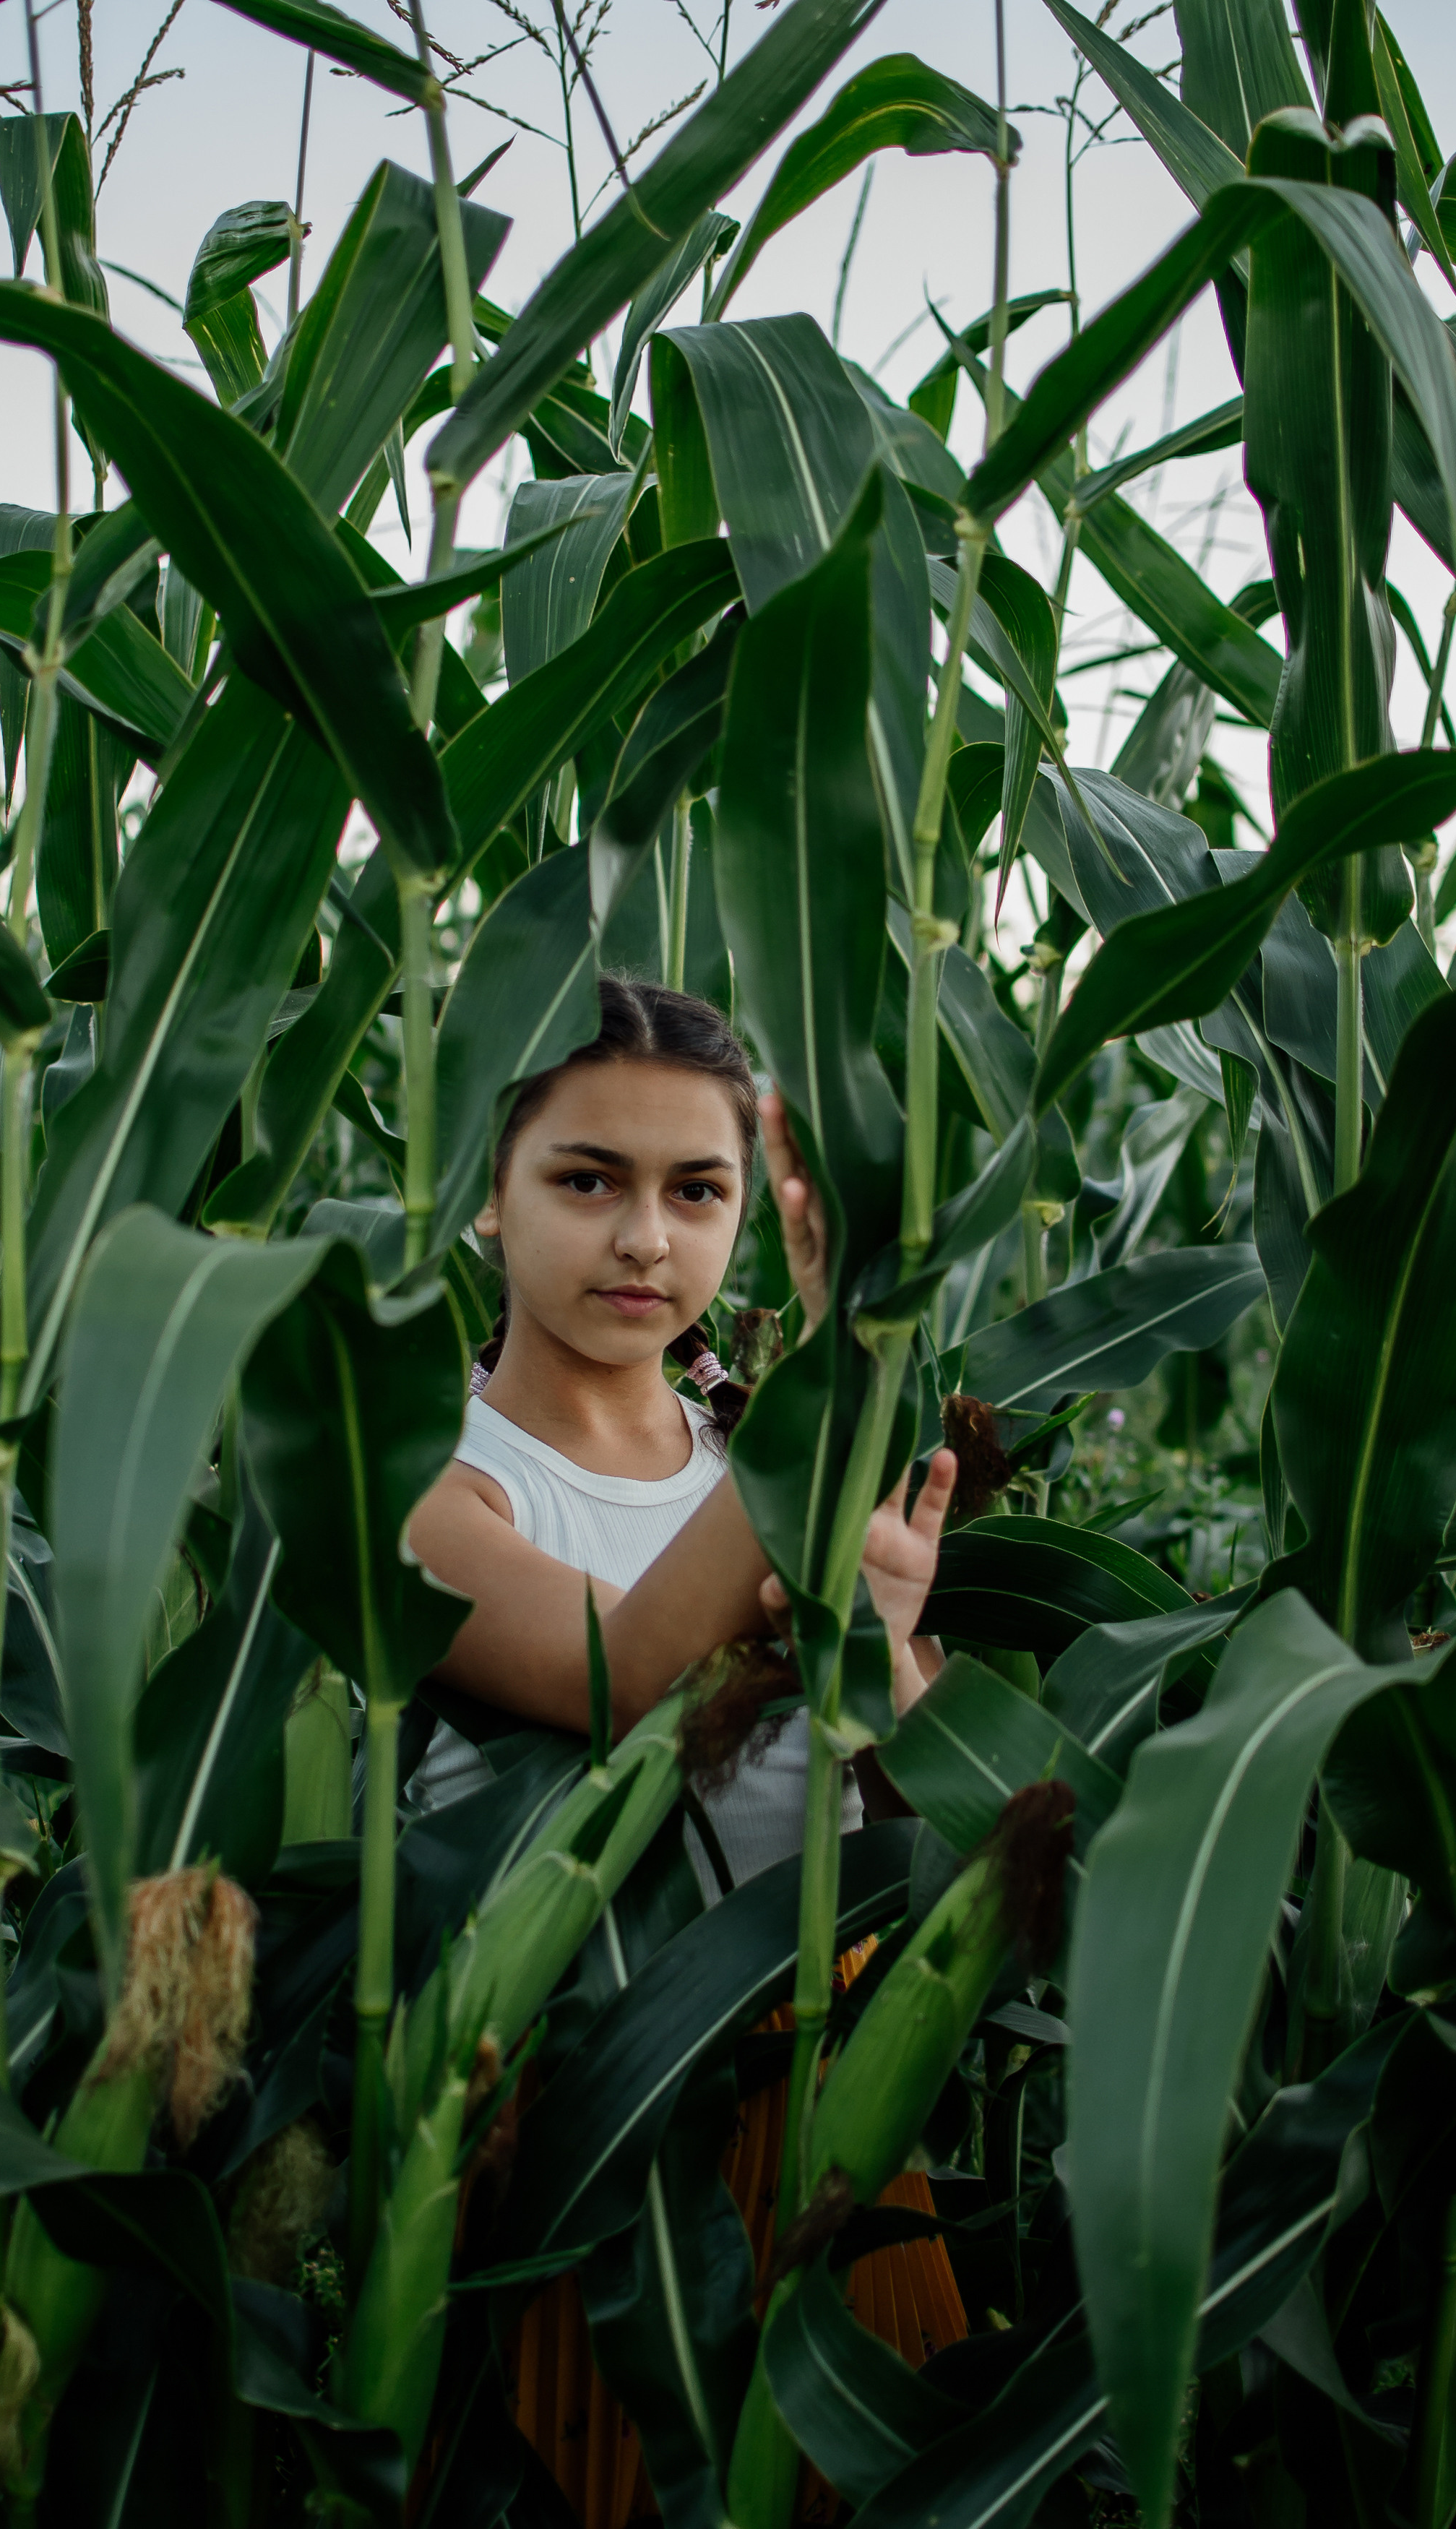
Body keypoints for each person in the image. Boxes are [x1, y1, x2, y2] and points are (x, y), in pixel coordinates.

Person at [407, 975, 963, 2525]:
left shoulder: (755, 1462)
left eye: (696, 1190)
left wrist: (895, 1635)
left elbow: (922, 1813)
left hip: (829, 2135)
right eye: (587, 1179)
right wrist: (835, 1372)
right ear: (481, 1196)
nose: (646, 1239)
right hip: (595, 2168)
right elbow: (637, 1671)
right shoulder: (441, 1492)